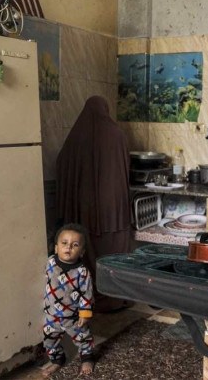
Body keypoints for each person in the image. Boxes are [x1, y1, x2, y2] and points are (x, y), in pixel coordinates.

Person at [56, 96, 132, 312]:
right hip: (114, 210)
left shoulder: (76, 136)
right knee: (115, 251)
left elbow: (61, 163)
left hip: (86, 209)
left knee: (90, 252)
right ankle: (118, 298)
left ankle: (92, 298)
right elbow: (126, 167)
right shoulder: (117, 135)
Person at [42, 223, 95, 377]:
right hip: (51, 315)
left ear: (82, 252)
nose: (68, 247)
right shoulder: (50, 262)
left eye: (75, 245)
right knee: (49, 341)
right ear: (56, 248)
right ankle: (57, 360)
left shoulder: (82, 272)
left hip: (73, 316)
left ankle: (87, 358)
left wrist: (85, 313)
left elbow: (87, 293)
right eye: (64, 243)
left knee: (83, 338)